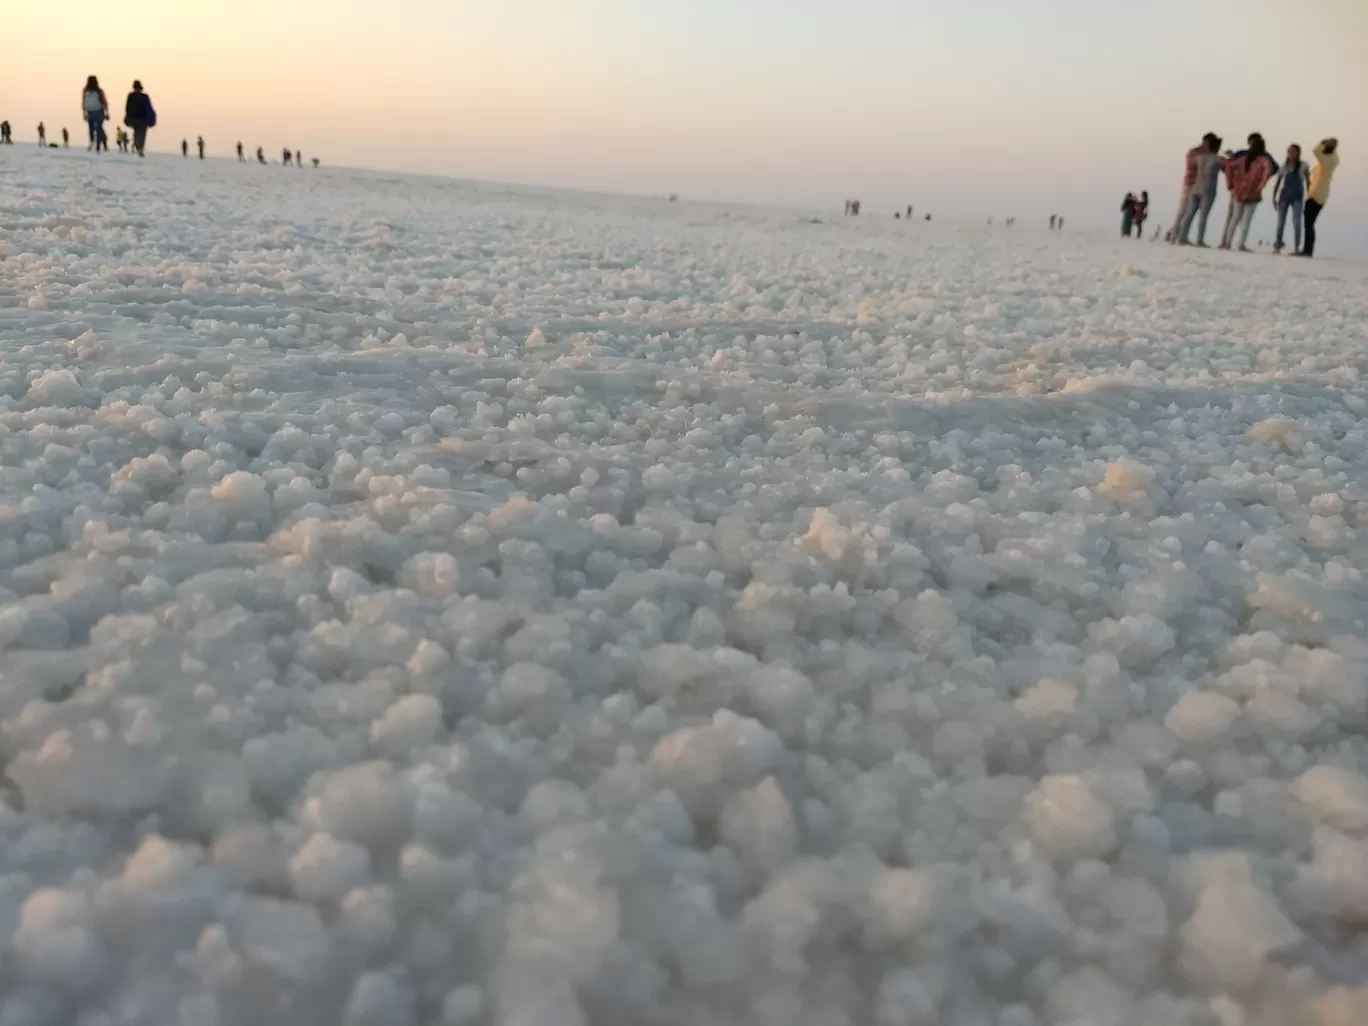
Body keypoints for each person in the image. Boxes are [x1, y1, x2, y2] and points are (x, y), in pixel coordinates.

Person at [1220, 134, 1278, 252]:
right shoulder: (1264, 159)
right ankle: (1240, 244)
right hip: (1253, 192)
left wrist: (1230, 183)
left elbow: (1228, 166)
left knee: (1234, 217)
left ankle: (1227, 243)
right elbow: (1272, 170)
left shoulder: (1242, 156)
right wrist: (1261, 185)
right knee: (1246, 220)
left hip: (1238, 190)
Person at [1299, 138, 1339, 259]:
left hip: (1316, 193)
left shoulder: (1327, 159)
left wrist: (1323, 142)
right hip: (1320, 192)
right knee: (1310, 223)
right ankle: (1307, 249)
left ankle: (1307, 250)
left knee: (1309, 222)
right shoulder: (1332, 159)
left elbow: (1315, 151)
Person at [1270, 145, 1310, 254]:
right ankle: (1278, 244)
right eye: (1289, 151)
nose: (1290, 154)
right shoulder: (1284, 167)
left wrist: (1310, 197)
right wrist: (1273, 198)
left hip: (1297, 197)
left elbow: (1308, 182)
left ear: (1298, 153)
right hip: (1284, 197)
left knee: (1297, 222)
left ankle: (1297, 247)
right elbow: (1277, 184)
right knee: (1281, 222)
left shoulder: (1303, 166)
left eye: (1293, 151)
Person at [124, 81, 154, 157]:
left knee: (137, 132)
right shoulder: (145, 97)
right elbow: (149, 108)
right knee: (142, 134)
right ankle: (140, 147)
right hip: (142, 120)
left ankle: (138, 146)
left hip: (132, 119)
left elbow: (127, 108)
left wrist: (128, 116)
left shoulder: (130, 96)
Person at [82, 76, 109, 152]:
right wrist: (107, 112)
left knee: (91, 128)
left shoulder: (85, 91)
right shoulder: (99, 91)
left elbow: (83, 103)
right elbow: (104, 102)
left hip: (90, 111)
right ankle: (97, 145)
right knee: (99, 128)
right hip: (99, 111)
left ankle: (91, 141)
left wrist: (84, 113)